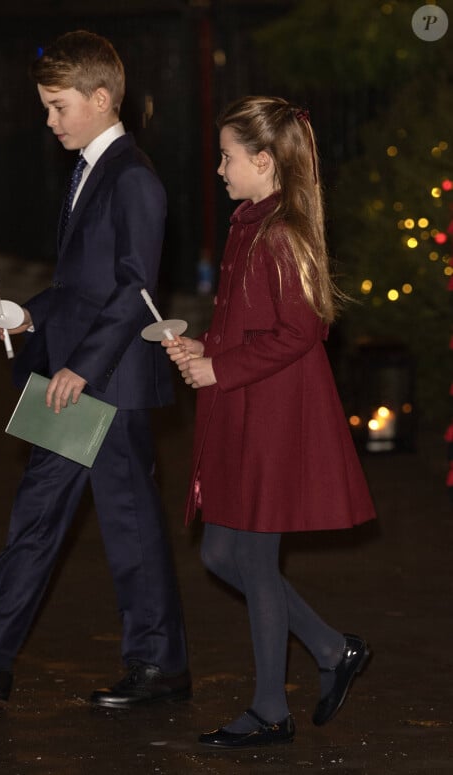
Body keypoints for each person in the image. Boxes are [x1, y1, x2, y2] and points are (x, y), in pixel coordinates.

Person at [0, 30, 190, 708]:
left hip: (108, 381)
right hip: (78, 372)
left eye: (59, 106)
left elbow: (132, 288)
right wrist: (30, 317)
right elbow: (82, 287)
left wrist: (83, 368)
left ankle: (160, 667)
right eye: (46, 106)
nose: (50, 120)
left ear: (100, 98)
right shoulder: (93, 171)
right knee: (37, 512)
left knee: (129, 522)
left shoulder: (133, 178)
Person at [163, 96, 376, 747]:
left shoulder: (279, 231)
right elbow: (252, 324)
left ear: (263, 161)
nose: (220, 169)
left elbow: (303, 329)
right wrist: (207, 349)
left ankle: (269, 709)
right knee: (223, 552)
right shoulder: (251, 222)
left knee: (250, 557)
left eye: (227, 157)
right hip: (248, 409)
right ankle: (332, 647)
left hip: (273, 418)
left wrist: (221, 370)